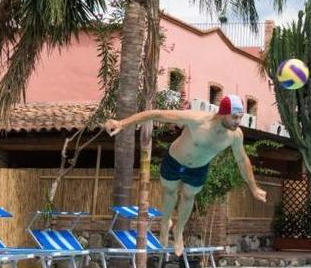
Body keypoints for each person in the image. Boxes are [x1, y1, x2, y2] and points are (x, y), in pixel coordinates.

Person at [104, 94, 267, 256]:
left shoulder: (235, 135)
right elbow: (156, 114)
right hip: (174, 161)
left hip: (198, 169)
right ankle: (164, 223)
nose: (238, 121)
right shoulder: (197, 119)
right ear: (223, 113)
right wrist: (122, 123)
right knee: (170, 193)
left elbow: (242, 160)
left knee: (188, 197)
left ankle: (178, 231)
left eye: (240, 117)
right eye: (235, 117)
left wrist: (253, 188)